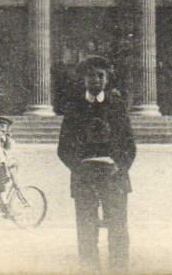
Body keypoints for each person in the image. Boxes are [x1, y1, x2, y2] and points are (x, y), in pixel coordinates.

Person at [57, 55, 135, 271]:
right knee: (86, 231)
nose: (96, 81)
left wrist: (119, 168)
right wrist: (80, 169)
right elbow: (63, 148)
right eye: (91, 76)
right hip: (84, 178)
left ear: (107, 78)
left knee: (118, 230)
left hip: (114, 177)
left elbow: (129, 145)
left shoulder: (117, 107)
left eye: (100, 76)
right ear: (84, 79)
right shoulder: (74, 109)